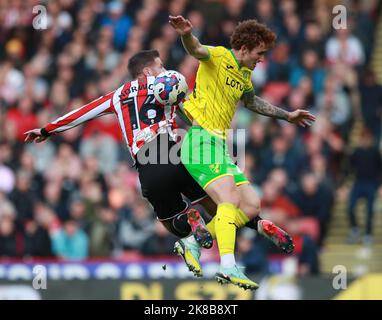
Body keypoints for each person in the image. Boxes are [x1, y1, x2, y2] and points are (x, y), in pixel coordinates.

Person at [170, 15, 315, 290]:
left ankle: (190, 243)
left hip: (219, 147)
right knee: (228, 199)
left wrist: (287, 115)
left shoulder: (244, 73)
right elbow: (196, 49)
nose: (262, 59)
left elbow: (251, 101)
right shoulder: (219, 56)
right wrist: (186, 34)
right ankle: (227, 265)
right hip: (200, 141)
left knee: (250, 205)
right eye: (260, 53)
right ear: (245, 48)